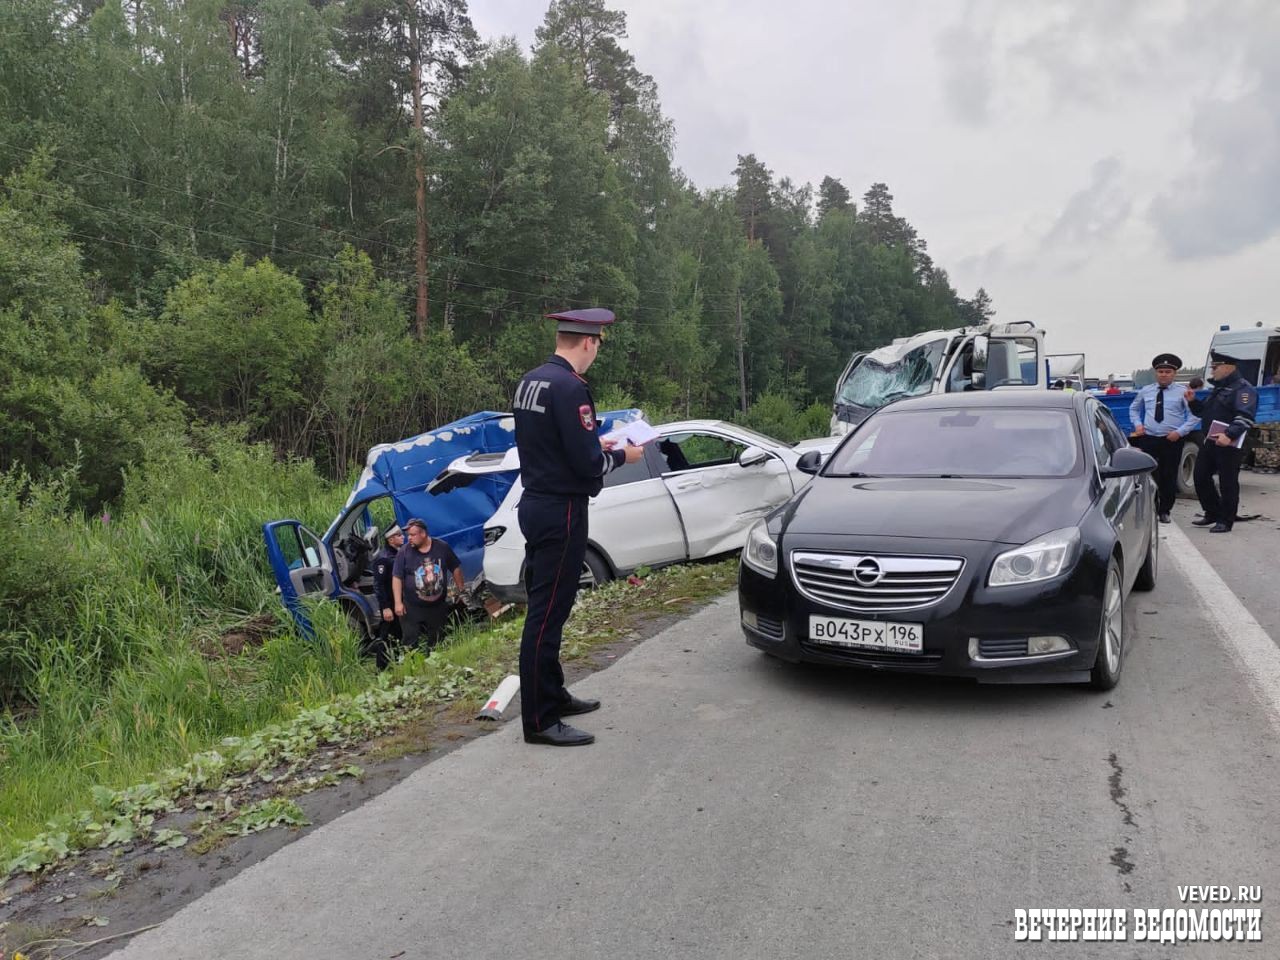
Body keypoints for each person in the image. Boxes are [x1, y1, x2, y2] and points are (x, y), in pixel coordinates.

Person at [513, 307, 644, 747]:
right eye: (598, 346)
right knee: (547, 615)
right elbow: (588, 463)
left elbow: (552, 443)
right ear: (589, 341)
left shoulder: (531, 380)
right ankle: (540, 721)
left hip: (535, 502)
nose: (596, 354)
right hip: (561, 509)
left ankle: (554, 695)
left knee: (550, 607)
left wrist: (595, 441)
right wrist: (620, 455)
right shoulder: (572, 388)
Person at [1188, 351, 1258, 533]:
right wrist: (1193, 402)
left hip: (1229, 443)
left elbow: (1245, 417)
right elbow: (1204, 412)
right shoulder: (1219, 389)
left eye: (1215, 367)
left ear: (1228, 367)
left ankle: (1226, 520)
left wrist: (1229, 434)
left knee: (1228, 482)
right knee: (1200, 476)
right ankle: (1211, 512)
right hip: (1211, 440)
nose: (1212, 371)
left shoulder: (1243, 389)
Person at [1128, 354, 1199, 524]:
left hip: (1171, 440)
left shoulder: (1183, 392)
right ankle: (1149, 506)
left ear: (1174, 374)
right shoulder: (1146, 391)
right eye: (1160, 371)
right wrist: (1138, 424)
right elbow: (1134, 409)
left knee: (1169, 475)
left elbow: (1195, 416)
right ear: (1155, 373)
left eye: (1168, 371)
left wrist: (1180, 432)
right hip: (1149, 438)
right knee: (1148, 474)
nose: (1164, 374)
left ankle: (1165, 510)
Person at [392, 518, 464, 648]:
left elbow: (455, 568)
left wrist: (461, 590)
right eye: (408, 535)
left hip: (437, 605)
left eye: (413, 535)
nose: (409, 538)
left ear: (423, 534)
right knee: (410, 641)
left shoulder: (442, 547)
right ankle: (413, 665)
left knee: (438, 641)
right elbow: (397, 577)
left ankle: (436, 663)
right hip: (412, 606)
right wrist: (398, 602)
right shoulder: (404, 552)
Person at [369, 524, 404, 668]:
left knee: (397, 634)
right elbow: (379, 585)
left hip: (399, 601)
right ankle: (381, 668)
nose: (402, 537)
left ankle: (395, 662)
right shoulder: (383, 558)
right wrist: (385, 608)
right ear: (390, 540)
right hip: (389, 603)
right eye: (399, 535)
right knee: (386, 635)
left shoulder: (398, 553)